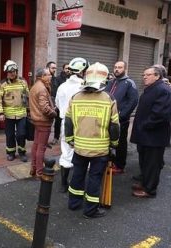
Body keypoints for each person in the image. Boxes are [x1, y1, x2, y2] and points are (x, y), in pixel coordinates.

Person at [66, 62, 119, 218]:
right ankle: (90, 210)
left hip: (79, 147)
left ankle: (73, 204)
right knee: (94, 179)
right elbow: (114, 126)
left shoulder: (75, 97)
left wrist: (70, 139)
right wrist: (114, 145)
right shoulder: (109, 98)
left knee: (77, 175)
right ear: (104, 80)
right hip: (100, 149)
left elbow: (68, 121)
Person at [130, 66, 171, 198]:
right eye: (144, 75)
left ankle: (150, 189)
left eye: (148, 75)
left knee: (152, 164)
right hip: (145, 135)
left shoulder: (162, 90)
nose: (144, 77)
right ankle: (145, 182)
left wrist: (145, 125)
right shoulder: (151, 89)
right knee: (145, 162)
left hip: (154, 136)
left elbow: (160, 115)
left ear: (157, 76)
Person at [55, 58, 85, 193]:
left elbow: (57, 104)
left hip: (65, 123)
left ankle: (63, 184)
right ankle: (78, 184)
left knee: (66, 152)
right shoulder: (84, 87)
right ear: (83, 71)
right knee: (83, 153)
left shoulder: (62, 86)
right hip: (83, 124)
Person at [105, 61, 138, 174]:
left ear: (125, 69)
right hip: (107, 118)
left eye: (120, 67)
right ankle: (109, 162)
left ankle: (119, 165)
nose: (117, 69)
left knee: (120, 143)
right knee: (108, 141)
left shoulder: (129, 83)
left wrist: (122, 115)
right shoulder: (110, 82)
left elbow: (133, 101)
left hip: (121, 120)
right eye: (115, 67)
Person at [0, 60, 29, 162]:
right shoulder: (2, 84)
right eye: (10, 72)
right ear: (6, 72)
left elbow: (28, 97)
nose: (12, 73)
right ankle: (11, 153)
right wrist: (0, 113)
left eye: (14, 71)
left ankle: (22, 152)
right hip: (8, 115)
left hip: (21, 114)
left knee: (21, 134)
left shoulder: (23, 82)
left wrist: (30, 110)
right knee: (9, 135)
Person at [29, 68, 58, 178]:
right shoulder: (41, 89)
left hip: (37, 120)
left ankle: (34, 168)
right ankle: (39, 172)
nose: (50, 76)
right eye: (48, 75)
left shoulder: (35, 86)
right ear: (41, 77)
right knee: (41, 147)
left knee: (36, 145)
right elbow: (44, 108)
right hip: (43, 122)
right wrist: (54, 113)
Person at [47, 61, 61, 145]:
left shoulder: (56, 80)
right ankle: (45, 139)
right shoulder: (43, 78)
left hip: (56, 105)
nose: (54, 70)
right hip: (47, 105)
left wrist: (57, 104)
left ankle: (56, 137)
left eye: (55, 68)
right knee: (47, 123)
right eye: (53, 68)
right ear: (47, 68)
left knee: (57, 122)